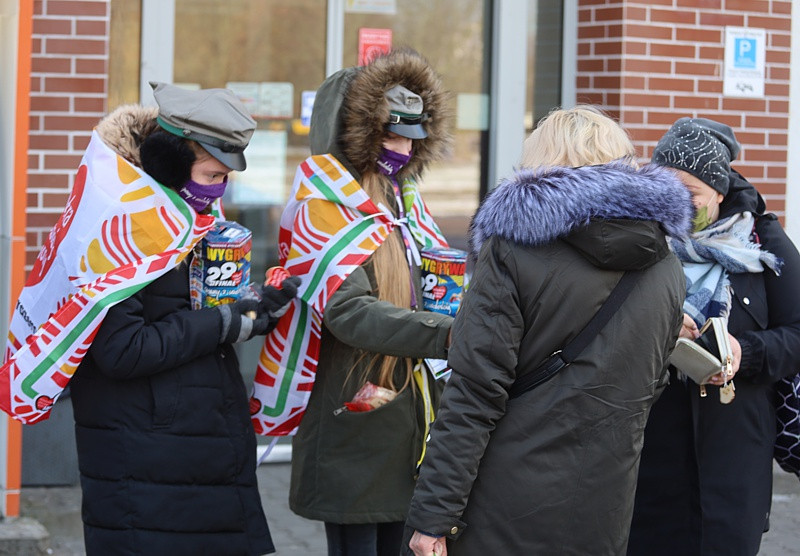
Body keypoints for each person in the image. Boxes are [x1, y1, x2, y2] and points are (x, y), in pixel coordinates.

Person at [404, 105, 695, 555]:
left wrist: (432, 518)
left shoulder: (513, 249)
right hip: (605, 506)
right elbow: (649, 386)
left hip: (504, 504)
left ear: (542, 164)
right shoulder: (667, 266)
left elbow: (475, 392)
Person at [69, 82, 299, 555]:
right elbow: (121, 349)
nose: (219, 190)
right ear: (169, 164)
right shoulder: (119, 226)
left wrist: (254, 311)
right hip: (147, 464)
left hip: (196, 453)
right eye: (212, 175)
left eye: (225, 178)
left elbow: (192, 311)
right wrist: (223, 323)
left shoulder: (187, 218)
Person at [285, 49, 454, 556]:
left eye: (413, 138)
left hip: (407, 420)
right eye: (391, 136)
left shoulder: (404, 204)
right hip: (354, 420)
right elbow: (348, 311)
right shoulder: (322, 208)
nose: (404, 149)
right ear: (353, 135)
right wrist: (447, 334)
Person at [627, 118, 800, 556]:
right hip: (650, 461)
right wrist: (659, 328)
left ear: (720, 192)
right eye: (666, 189)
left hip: (734, 462)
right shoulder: (637, 239)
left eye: (691, 193)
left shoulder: (762, 243)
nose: (677, 204)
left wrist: (747, 352)